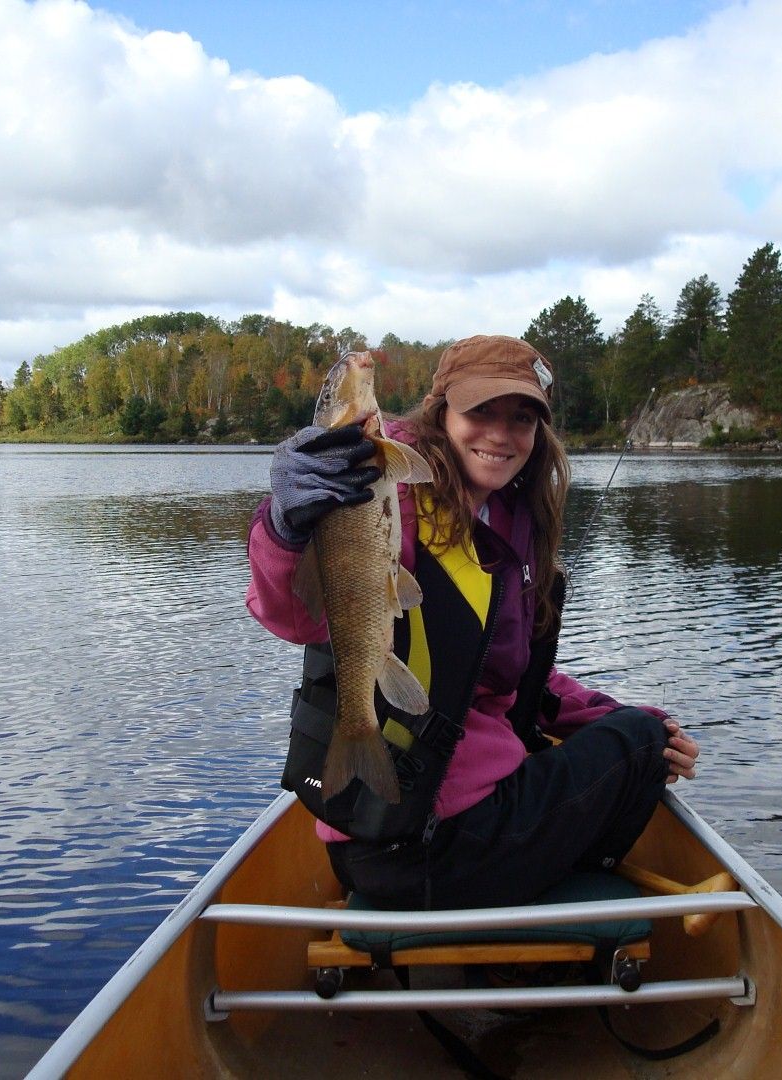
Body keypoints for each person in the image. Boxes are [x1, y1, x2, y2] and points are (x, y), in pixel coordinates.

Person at [246, 334, 699, 910]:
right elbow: (292, 615)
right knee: (637, 746)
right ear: (441, 413)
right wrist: (284, 524)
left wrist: (612, 713)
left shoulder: (509, 526)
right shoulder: (387, 495)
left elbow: (510, 678)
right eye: (481, 411)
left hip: (391, 838)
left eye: (521, 419)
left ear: (538, 433)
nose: (500, 435)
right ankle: (567, 881)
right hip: (433, 840)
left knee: (638, 730)